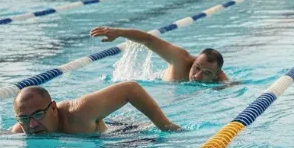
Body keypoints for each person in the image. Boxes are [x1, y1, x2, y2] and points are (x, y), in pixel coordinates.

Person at [10, 82, 181, 135]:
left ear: (53, 108)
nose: (32, 125)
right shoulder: (22, 128)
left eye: (38, 115)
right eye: (24, 119)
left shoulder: (79, 112)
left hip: (119, 130)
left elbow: (131, 89)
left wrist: (165, 125)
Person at [89, 26, 231, 84]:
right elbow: (149, 40)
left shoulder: (219, 78)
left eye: (206, 73)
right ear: (194, 61)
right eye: (197, 68)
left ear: (215, 76)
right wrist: (120, 32)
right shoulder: (180, 58)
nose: (197, 76)